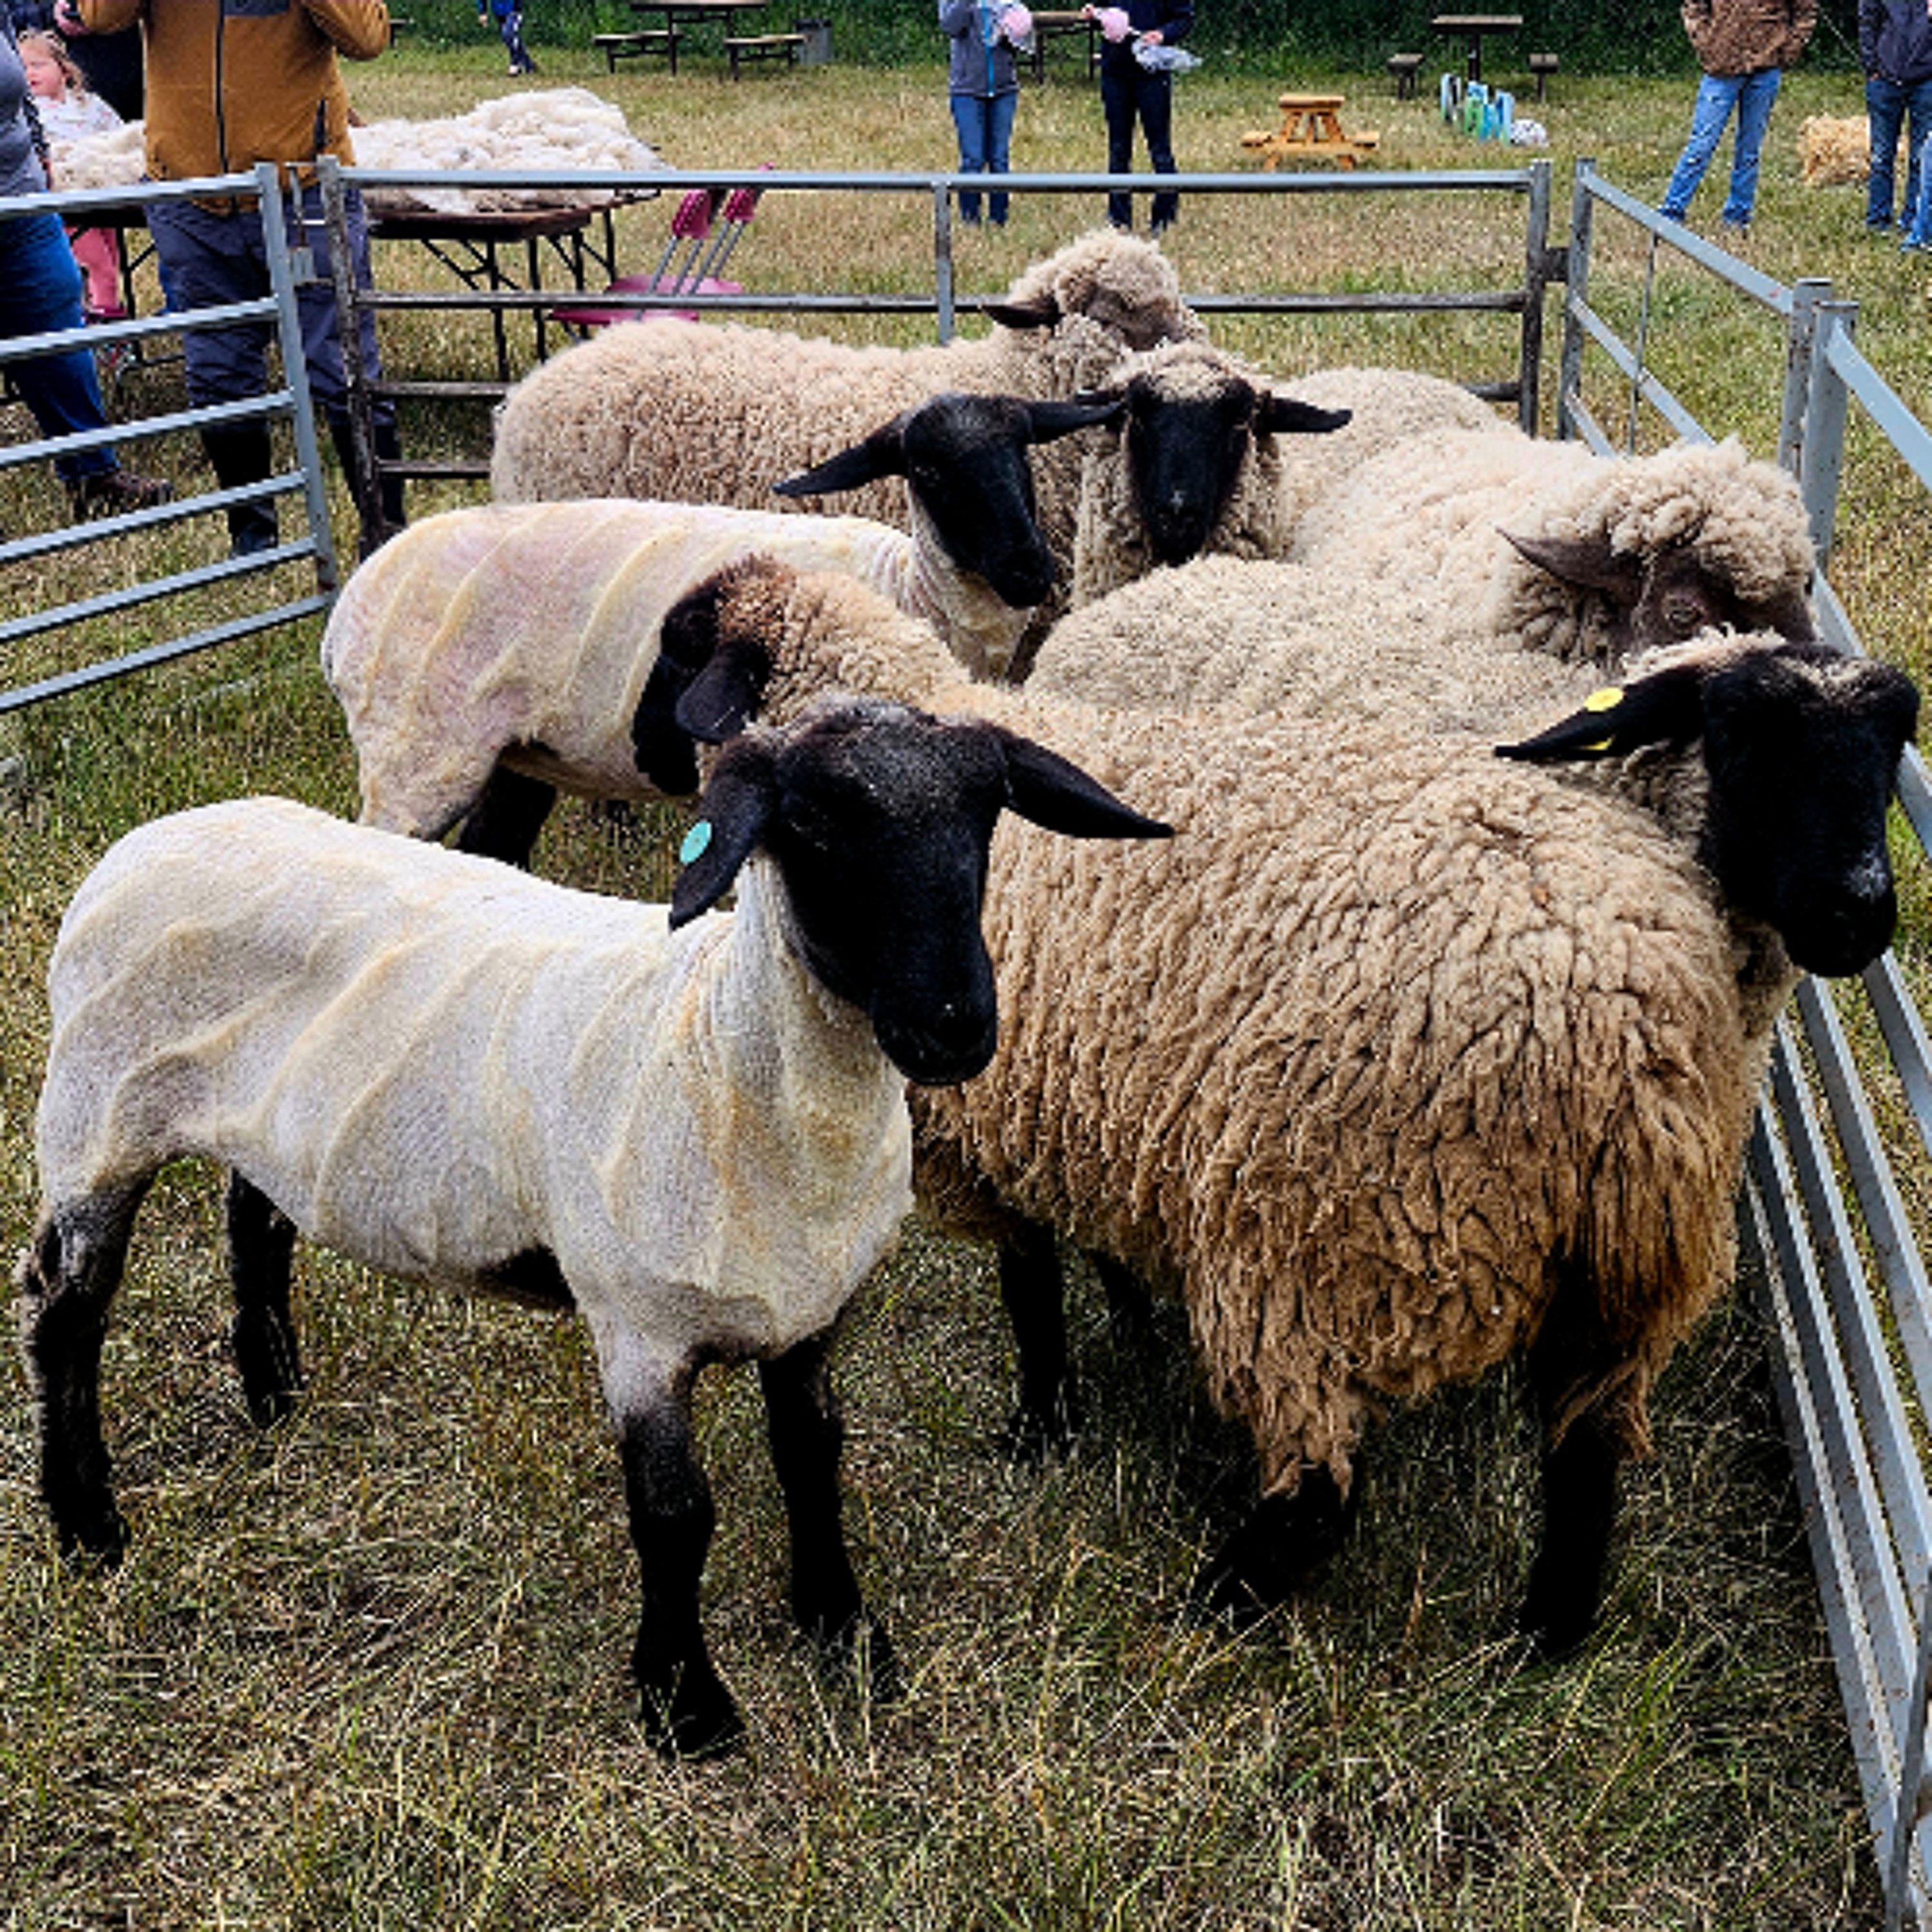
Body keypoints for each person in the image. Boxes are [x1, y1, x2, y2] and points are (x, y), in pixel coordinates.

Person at [62, 0, 406, 556]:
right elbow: (100, 16)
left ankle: (386, 538)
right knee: (218, 371)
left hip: (303, 187)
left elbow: (367, 37)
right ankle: (253, 537)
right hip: (189, 195)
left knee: (342, 369)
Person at [0, 0, 169, 519]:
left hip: (20, 195)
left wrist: (37, 147)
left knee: (57, 318)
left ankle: (92, 473)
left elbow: (16, 79)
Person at [1657, 0, 1816, 238]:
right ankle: (1671, 213)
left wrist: (1787, 50)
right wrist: (1706, 43)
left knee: (1749, 148)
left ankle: (1738, 217)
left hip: (1765, 68)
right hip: (1721, 67)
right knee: (1702, 144)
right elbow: (1693, 6)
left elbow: (1806, 11)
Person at [19, 28, 124, 322]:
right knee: (98, 266)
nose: (29, 74)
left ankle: (103, 318)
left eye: (37, 65)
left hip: (105, 195)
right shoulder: (29, 114)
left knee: (111, 262)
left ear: (64, 70)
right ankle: (104, 330)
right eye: (22, 68)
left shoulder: (90, 105)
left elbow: (119, 135)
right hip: (66, 201)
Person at [1081, 0, 1192, 236]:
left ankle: (1163, 220)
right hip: (1115, 74)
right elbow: (1100, 13)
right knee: (1119, 150)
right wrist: (1093, 15)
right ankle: (1119, 221)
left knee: (1160, 150)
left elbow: (1184, 20)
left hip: (1152, 76)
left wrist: (1162, 34)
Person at [940, 0, 1026, 226]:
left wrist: (1015, 28)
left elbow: (1021, 29)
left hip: (1004, 87)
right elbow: (950, 25)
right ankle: (971, 219)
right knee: (973, 158)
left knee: (999, 158)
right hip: (966, 89)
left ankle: (999, 218)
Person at [1860, 0, 1932, 234]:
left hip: (1926, 81)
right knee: (1881, 155)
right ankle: (1878, 219)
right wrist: (1872, 67)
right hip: (1885, 80)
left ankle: (1913, 221)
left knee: (1921, 157)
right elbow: (1867, 21)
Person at [477, 0, 536, 78]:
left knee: (508, 34)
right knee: (510, 38)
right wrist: (483, 12)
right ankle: (528, 64)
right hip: (499, 12)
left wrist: (518, 7)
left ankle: (515, 63)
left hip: (514, 11)